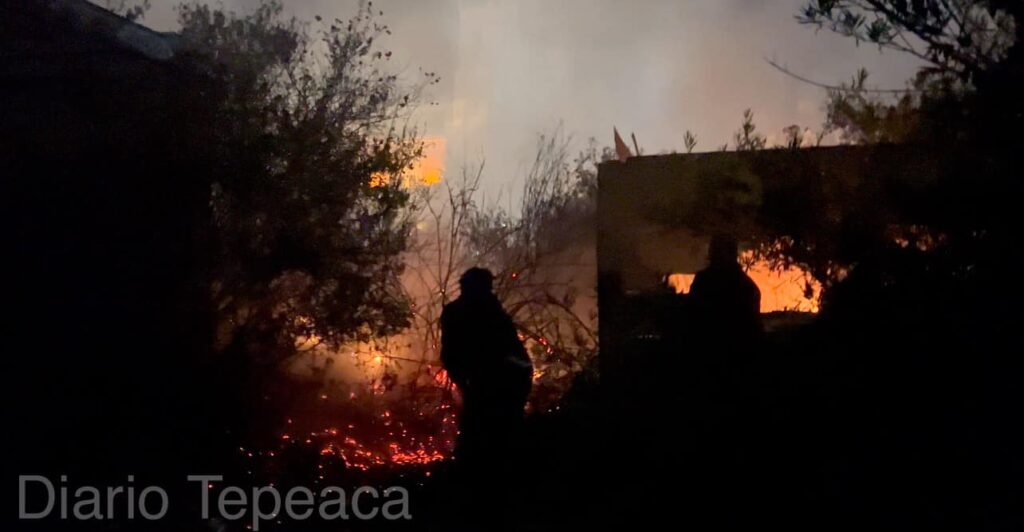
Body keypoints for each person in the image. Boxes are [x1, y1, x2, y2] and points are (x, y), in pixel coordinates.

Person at [440, 267, 533, 464]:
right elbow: (451, 353)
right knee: (484, 435)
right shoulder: (482, 311)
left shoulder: (474, 311)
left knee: (485, 435)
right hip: (486, 382)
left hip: (496, 382)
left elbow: (512, 350)